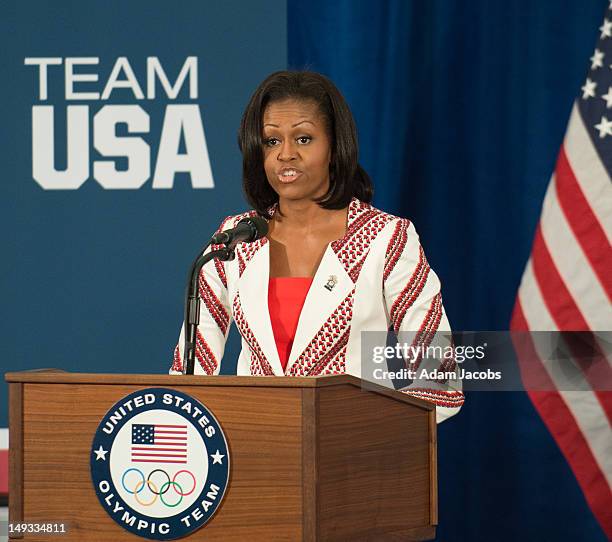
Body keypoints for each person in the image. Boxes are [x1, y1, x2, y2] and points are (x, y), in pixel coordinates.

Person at [171, 71, 463, 423]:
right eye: (272, 141)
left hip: (354, 459)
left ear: (334, 146)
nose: (286, 155)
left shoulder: (385, 237)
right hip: (256, 457)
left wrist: (363, 430)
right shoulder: (235, 238)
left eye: (304, 139)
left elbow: (441, 382)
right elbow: (188, 378)